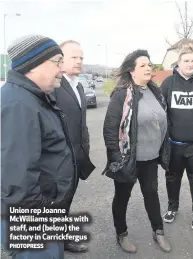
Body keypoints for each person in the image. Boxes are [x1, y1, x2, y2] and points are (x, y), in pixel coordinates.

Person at [1, 34, 77, 259]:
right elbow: (16, 178)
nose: (62, 69)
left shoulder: (34, 97)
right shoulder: (19, 105)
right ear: (33, 65)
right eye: (57, 62)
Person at [102, 49, 171, 254]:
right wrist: (117, 159)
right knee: (122, 197)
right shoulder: (122, 94)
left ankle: (158, 231)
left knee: (151, 194)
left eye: (149, 64)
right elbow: (110, 129)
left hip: (150, 158)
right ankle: (121, 234)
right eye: (143, 65)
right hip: (128, 159)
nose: (148, 68)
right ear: (132, 71)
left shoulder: (155, 91)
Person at [160, 43, 193, 229]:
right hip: (174, 143)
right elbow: (161, 110)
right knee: (172, 177)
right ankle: (172, 207)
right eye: (186, 60)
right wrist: (168, 129)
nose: (190, 64)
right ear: (179, 62)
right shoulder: (168, 83)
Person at [52, 40, 95, 253]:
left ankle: (62, 240)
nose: (79, 61)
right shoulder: (54, 85)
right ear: (60, 59)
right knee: (55, 205)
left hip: (76, 157)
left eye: (81, 58)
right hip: (58, 160)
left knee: (66, 202)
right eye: (74, 57)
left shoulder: (78, 85)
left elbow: (81, 122)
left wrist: (85, 148)